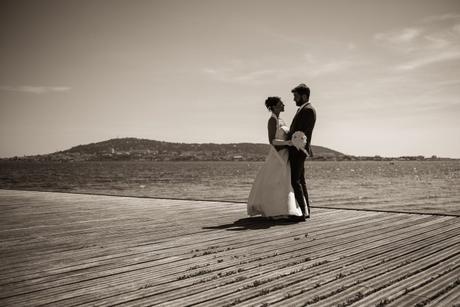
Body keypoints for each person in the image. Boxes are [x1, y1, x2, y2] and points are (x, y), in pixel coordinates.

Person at [247, 97, 303, 219]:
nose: (283, 105)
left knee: (284, 182)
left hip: (285, 154)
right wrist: (287, 143)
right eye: (280, 103)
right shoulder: (272, 120)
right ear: (274, 107)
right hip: (278, 155)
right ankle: (274, 209)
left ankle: (285, 208)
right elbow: (272, 140)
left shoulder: (281, 119)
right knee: (275, 181)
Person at [288, 83, 316, 221]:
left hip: (298, 150)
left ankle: (303, 212)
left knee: (295, 180)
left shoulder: (308, 110)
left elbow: (301, 133)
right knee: (300, 180)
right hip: (299, 149)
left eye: (296, 96)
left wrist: (290, 143)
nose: (294, 99)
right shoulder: (303, 109)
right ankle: (306, 210)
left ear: (304, 96)